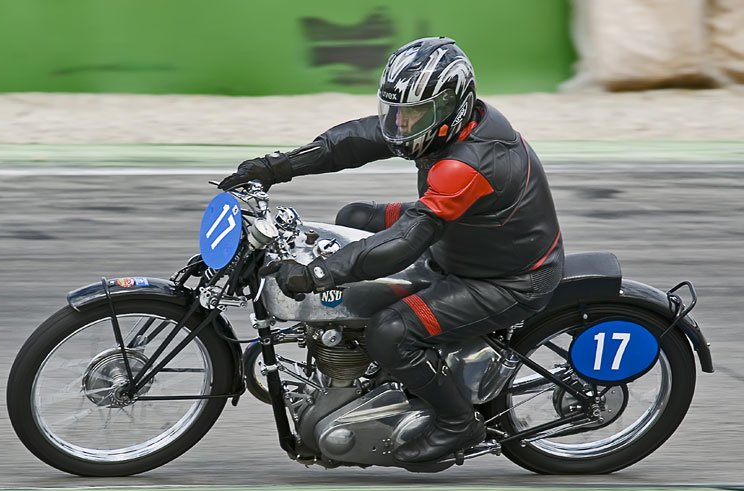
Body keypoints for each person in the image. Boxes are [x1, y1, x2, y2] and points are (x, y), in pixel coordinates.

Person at [218, 37, 564, 463]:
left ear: (450, 108)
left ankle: (456, 423)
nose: (400, 125)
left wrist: (318, 274)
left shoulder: (466, 164)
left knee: (392, 331)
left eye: (413, 115)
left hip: (506, 278)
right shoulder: (444, 125)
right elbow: (354, 140)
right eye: (396, 112)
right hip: (466, 236)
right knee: (354, 216)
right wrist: (279, 166)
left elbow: (406, 242)